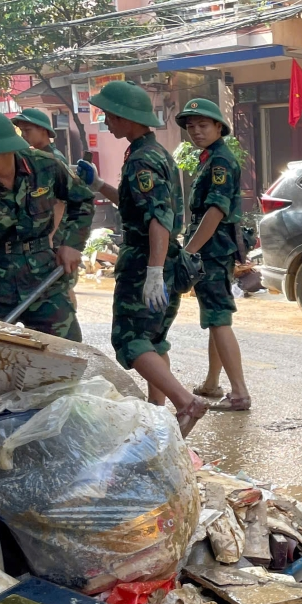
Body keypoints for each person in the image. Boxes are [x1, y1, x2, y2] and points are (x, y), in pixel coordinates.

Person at [80, 81, 207, 436]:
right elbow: (136, 206)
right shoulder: (152, 152)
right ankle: (157, 413)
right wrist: (98, 185)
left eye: (110, 115)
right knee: (153, 340)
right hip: (160, 257)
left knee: (130, 339)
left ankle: (186, 403)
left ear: (126, 117)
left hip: (146, 259)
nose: (106, 121)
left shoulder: (141, 160)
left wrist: (153, 271)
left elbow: (157, 219)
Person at [0, 108, 90, 338]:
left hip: (44, 277)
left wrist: (72, 244)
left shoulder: (45, 167)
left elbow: (82, 201)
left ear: (7, 148)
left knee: (67, 349)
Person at [175, 98, 250, 412]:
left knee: (218, 319)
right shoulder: (210, 158)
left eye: (203, 125)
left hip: (212, 250)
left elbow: (216, 211)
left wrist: (189, 251)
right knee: (215, 317)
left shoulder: (220, 161)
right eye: (191, 126)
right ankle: (211, 383)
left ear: (219, 127)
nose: (196, 131)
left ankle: (239, 393)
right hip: (214, 248)